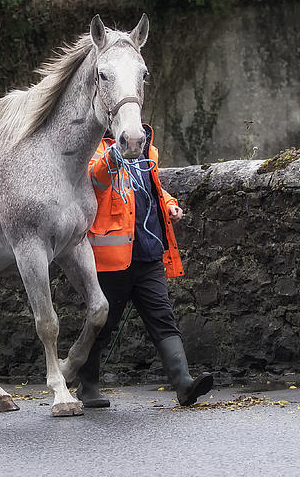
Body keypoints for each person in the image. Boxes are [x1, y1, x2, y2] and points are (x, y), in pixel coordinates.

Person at [77, 125, 213, 408]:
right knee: (102, 324)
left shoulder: (146, 149)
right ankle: (87, 387)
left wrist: (170, 204)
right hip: (112, 260)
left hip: (148, 254)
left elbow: (152, 189)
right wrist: (114, 153)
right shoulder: (97, 148)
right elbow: (95, 181)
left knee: (162, 316)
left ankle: (184, 384)